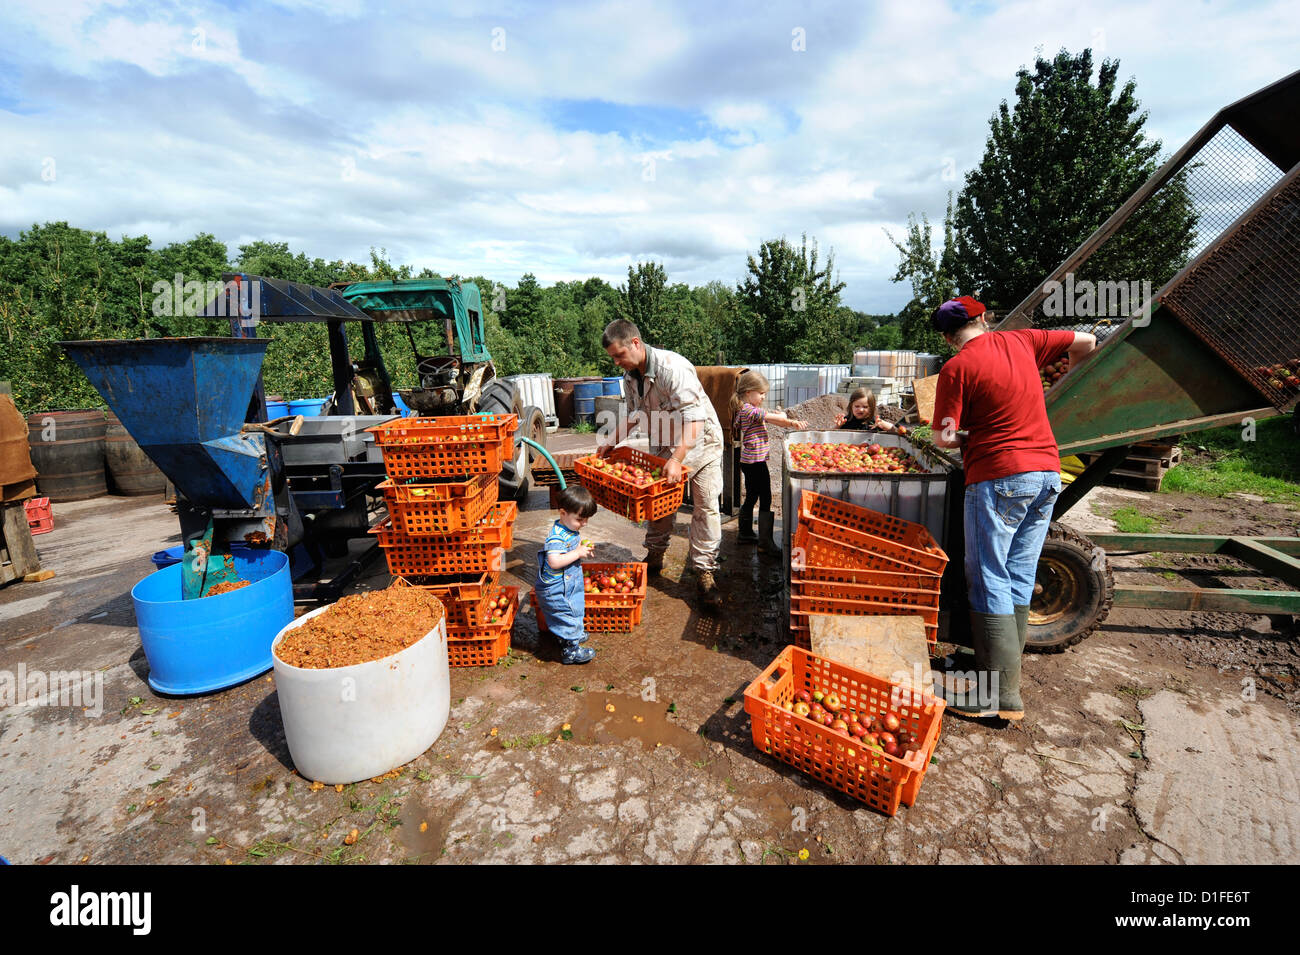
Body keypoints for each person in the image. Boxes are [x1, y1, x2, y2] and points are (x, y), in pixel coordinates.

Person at [929, 295, 1096, 720]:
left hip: (1000, 477)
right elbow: (1087, 341)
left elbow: (943, 438)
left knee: (988, 574)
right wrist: (1062, 392)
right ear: (984, 318)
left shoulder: (956, 368)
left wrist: (970, 436)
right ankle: (998, 671)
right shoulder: (1023, 340)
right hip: (1046, 474)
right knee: (1019, 572)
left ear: (949, 337)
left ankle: (997, 696)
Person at [599, 319, 725, 610]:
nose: (617, 362)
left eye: (619, 355)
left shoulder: (672, 368)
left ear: (635, 343)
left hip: (701, 443)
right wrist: (612, 441)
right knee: (658, 504)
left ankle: (705, 571)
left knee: (705, 505)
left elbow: (696, 419)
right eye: (613, 358)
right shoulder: (630, 376)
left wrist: (677, 458)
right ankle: (655, 555)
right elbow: (634, 414)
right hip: (665, 443)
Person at [730, 370, 807, 551]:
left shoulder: (749, 409)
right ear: (749, 392)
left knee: (752, 495)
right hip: (754, 462)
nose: (764, 397)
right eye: (762, 393)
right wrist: (786, 419)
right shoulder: (748, 410)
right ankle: (765, 543)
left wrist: (790, 422)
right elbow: (773, 418)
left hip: (751, 461)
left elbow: (776, 420)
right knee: (765, 496)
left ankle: (745, 533)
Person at [534, 485, 598, 664]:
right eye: (580, 519)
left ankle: (571, 635)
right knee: (567, 613)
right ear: (563, 513)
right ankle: (571, 651)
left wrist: (580, 548)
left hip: (567, 583)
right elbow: (554, 562)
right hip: (556, 588)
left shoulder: (568, 528)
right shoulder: (556, 538)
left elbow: (569, 550)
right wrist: (577, 553)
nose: (584, 524)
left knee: (575, 607)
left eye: (586, 519)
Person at [833, 386, 902, 433]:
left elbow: (896, 430)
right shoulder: (846, 421)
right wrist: (838, 426)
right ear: (851, 406)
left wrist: (884, 425)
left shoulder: (875, 422)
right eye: (857, 406)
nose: (860, 410)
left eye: (865, 407)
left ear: (871, 408)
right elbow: (832, 435)